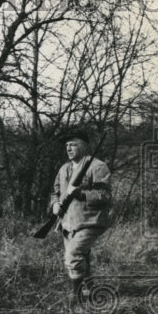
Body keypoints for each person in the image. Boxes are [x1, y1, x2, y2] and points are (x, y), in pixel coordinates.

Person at [49, 129, 113, 302]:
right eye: (67, 145)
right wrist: (55, 204)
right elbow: (54, 192)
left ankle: (76, 297)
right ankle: (89, 288)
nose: (69, 148)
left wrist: (81, 194)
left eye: (73, 144)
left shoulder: (98, 166)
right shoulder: (64, 169)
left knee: (73, 254)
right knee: (82, 256)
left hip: (91, 221)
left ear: (84, 146)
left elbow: (106, 196)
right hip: (68, 222)